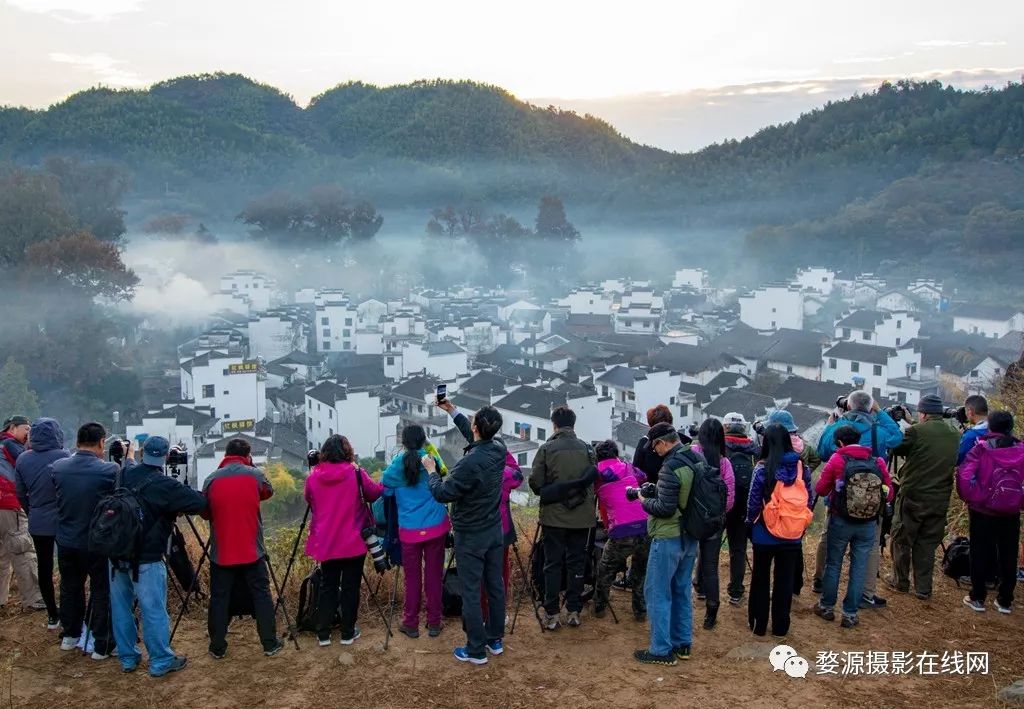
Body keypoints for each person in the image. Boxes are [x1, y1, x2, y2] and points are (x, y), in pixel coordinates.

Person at [109, 436, 207, 676]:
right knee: (152, 609)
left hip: (116, 553)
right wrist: (180, 488)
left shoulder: (123, 474)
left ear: (143, 454)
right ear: (164, 457)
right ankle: (161, 660)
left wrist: (129, 456)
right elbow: (199, 502)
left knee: (121, 608)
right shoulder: (166, 485)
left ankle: (128, 658)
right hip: (147, 558)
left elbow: (129, 465)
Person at [427, 401, 507, 665]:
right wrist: (452, 411)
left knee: (471, 590)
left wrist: (431, 472)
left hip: (471, 535)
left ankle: (475, 649)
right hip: (494, 529)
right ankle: (494, 639)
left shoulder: (469, 464)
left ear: (476, 428)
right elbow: (474, 436)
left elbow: (442, 493)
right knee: (495, 585)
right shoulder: (498, 449)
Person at [813, 391, 901, 608]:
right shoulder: (878, 431)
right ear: (870, 407)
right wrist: (879, 412)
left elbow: (821, 451)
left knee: (829, 540)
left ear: (848, 406)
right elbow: (897, 436)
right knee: (869, 549)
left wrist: (832, 423)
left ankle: (821, 581)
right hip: (871, 504)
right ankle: (866, 593)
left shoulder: (837, 429)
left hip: (839, 502)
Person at [202, 438, 282, 659]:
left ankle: (217, 647)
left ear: (225, 455)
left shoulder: (210, 480)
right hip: (252, 551)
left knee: (219, 598)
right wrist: (252, 466)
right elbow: (268, 491)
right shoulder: (254, 475)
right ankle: (269, 643)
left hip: (222, 553)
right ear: (248, 456)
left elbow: (205, 512)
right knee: (262, 595)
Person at [304, 434, 383, 647]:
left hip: (327, 541)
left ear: (324, 453)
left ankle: (323, 633)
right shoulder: (356, 473)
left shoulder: (313, 476)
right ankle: (348, 632)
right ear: (347, 451)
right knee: (350, 587)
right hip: (354, 541)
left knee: (328, 586)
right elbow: (374, 493)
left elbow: (309, 499)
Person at [633, 422, 701, 666]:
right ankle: (682, 644)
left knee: (657, 592)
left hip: (669, 536)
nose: (655, 451)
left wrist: (642, 499)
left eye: (655, 447)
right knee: (681, 590)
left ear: (662, 442)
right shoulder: (696, 459)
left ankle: (661, 650)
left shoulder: (670, 467)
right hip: (691, 535)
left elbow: (665, 508)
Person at [50, 422, 118, 658]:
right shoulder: (109, 470)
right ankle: (101, 643)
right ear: (102, 442)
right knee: (101, 590)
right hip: (96, 542)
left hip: (67, 540)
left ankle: (70, 636)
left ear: (77, 442)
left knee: (70, 588)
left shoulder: (58, 468)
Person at [528, 405, 596, 630]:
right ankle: (574, 610)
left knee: (552, 564)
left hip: (554, 518)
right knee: (577, 562)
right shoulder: (588, 450)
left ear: (554, 425)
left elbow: (536, 483)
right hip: (582, 518)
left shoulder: (547, 449)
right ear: (573, 424)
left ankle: (552, 613)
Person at [887, 394, 960, 601]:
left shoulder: (915, 432)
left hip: (914, 494)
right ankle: (923, 589)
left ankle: (900, 581)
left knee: (902, 537)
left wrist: (899, 424)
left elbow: (896, 446)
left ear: (923, 413)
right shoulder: (954, 433)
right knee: (927, 542)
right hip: (940, 497)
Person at [381, 424, 451, 639]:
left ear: (403, 442)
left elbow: (385, 485)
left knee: (412, 578)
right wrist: (428, 447)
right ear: (424, 441)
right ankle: (434, 622)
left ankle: (410, 622)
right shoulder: (432, 460)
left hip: (410, 531)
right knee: (434, 575)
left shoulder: (396, 466)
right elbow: (443, 473)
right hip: (435, 527)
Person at [746, 423, 813, 638]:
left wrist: (749, 523)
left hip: (764, 533)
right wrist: (799, 524)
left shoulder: (762, 468)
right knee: (784, 581)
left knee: (760, 578)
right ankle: (781, 627)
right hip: (792, 535)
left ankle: (759, 625)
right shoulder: (802, 467)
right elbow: (809, 500)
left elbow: (753, 502)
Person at [957, 411, 1023, 614]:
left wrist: (972, 497)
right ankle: (1005, 600)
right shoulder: (1021, 451)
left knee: (979, 551)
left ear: (990, 428)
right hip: (1011, 510)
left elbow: (965, 476)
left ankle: (978, 597)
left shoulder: (981, 449)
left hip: (982, 509)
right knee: (1008, 554)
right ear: (1010, 427)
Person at [14, 418, 69, 627]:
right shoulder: (64, 456)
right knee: (67, 567)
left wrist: (32, 510)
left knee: (44, 566)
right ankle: (68, 611)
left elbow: (20, 492)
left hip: (38, 520)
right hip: (63, 519)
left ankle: (52, 615)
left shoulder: (23, 459)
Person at [592, 440, 649, 622]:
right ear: (616, 454)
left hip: (621, 530)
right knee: (641, 571)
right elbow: (644, 477)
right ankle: (640, 611)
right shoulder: (629, 468)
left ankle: (600, 607)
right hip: (645, 526)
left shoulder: (596, 475)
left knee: (606, 568)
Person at [768, 410, 821, 599]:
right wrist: (805, 471)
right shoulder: (803, 446)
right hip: (800, 499)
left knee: (776, 545)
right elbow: (816, 458)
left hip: (779, 499)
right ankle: (795, 585)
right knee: (795, 543)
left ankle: (781, 585)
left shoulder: (775, 444)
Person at [691, 418, 735, 629]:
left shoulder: (692, 454)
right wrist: (715, 514)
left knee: (683, 564)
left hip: (690, 521)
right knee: (710, 568)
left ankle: (680, 608)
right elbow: (730, 499)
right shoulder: (724, 463)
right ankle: (711, 610)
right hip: (714, 523)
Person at [0, 415, 44, 612]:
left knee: (2, 554)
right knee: (23, 550)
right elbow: (27, 465)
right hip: (9, 504)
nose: (29, 434)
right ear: (12, 427)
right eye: (26, 429)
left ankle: (1, 599)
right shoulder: (10, 444)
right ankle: (33, 599)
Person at [722, 412, 759, 605]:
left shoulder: (719, 448)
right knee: (738, 549)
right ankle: (736, 591)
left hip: (720, 504)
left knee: (709, 545)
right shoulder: (754, 449)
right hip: (744, 505)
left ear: (726, 427)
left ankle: (701, 586)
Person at [956, 395, 989, 465]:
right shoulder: (999, 429)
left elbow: (958, 459)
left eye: (966, 411)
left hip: (977, 475)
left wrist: (960, 438)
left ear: (970, 412)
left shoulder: (970, 436)